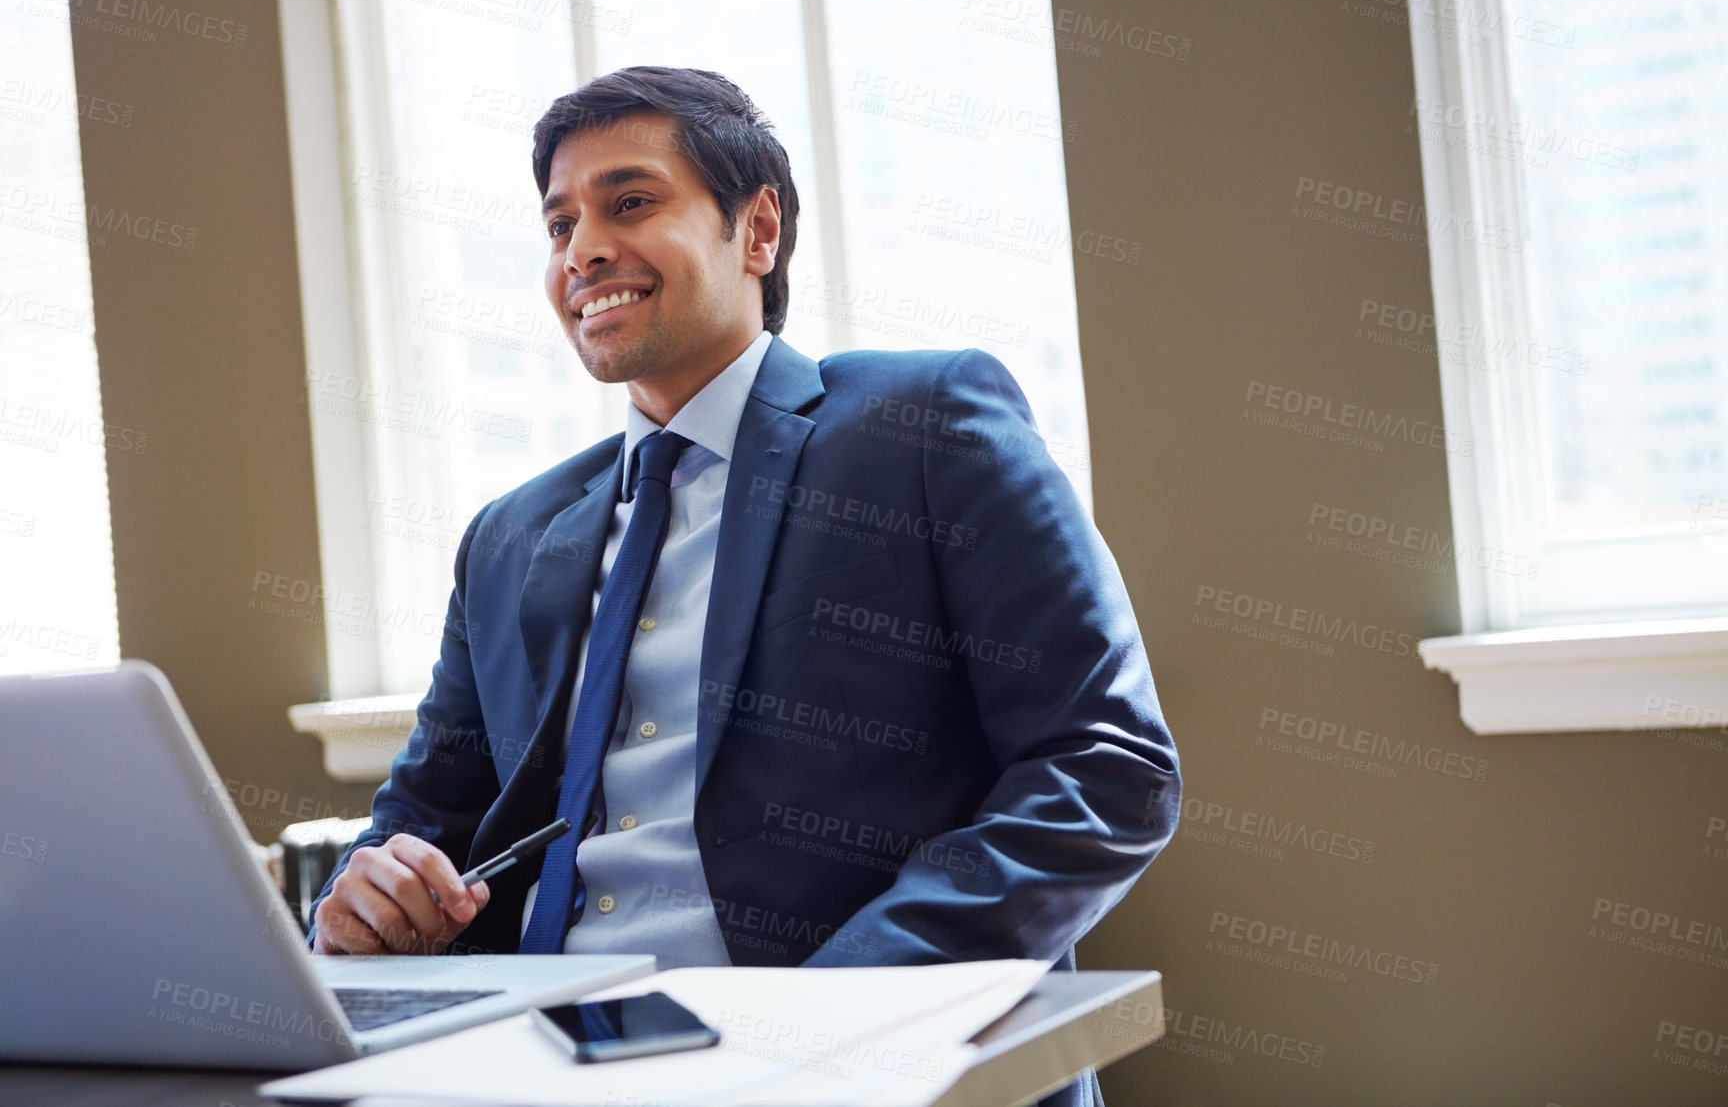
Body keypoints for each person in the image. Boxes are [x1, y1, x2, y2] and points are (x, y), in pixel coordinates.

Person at [308, 66, 1180, 1107]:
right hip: (528, 1061)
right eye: (560, 225)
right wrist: (366, 900)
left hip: (842, 1059)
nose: (583, 250)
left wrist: (837, 1017)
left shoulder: (924, 423)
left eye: (631, 202)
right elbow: (421, 822)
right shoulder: (508, 537)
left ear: (756, 230)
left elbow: (1106, 767)